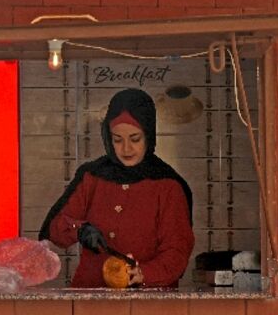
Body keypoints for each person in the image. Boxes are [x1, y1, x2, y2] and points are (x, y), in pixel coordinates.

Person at [39, 88, 194, 288]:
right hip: (90, 297)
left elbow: (177, 252)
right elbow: (55, 229)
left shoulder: (168, 186)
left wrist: (143, 274)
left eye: (135, 139)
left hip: (148, 300)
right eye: (117, 140)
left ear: (149, 135)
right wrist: (79, 229)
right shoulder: (92, 177)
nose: (126, 149)